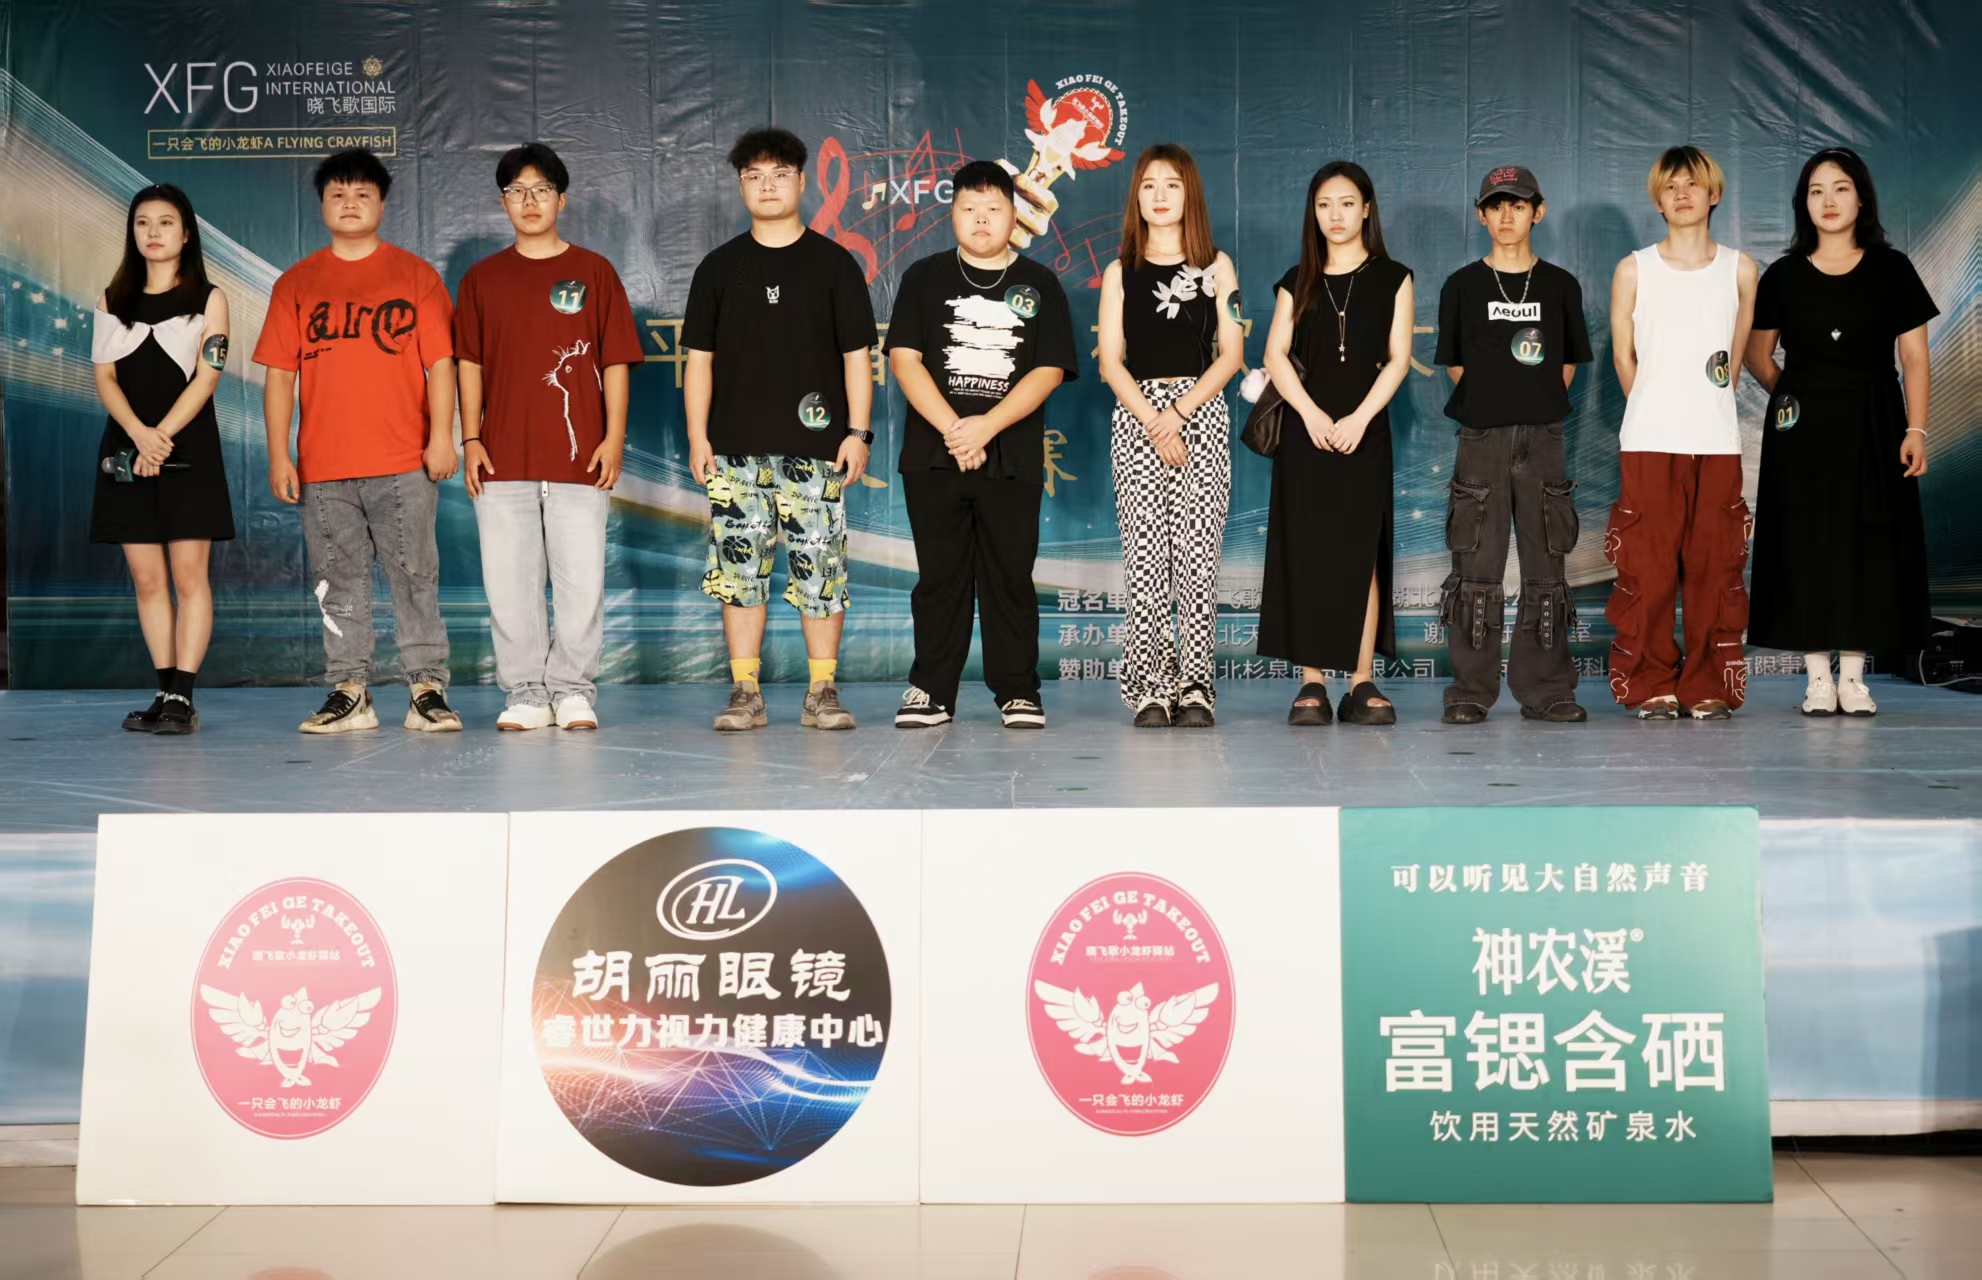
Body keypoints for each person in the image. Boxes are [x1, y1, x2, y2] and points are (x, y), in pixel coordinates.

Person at [256, 148, 462, 734]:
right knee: (337, 583)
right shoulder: (296, 283)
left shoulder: (415, 276)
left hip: (404, 460)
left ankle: (427, 689)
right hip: (324, 466)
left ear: (382, 204)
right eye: (338, 194)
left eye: (362, 194)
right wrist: (280, 453)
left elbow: (441, 365)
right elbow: (280, 377)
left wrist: (441, 438)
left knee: (415, 576)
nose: (350, 204)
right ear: (322, 205)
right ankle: (350, 690)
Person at [683, 127, 877, 731]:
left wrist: (858, 433)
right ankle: (745, 692)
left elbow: (857, 357)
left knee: (821, 571)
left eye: (780, 175)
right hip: (734, 451)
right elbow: (699, 362)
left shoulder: (833, 264)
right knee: (739, 572)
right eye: (754, 177)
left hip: (816, 449)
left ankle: (823, 692)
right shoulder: (719, 267)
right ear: (741, 185)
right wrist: (698, 437)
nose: (767, 187)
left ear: (801, 181)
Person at [455, 143, 642, 732]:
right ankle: (527, 693)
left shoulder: (595, 272)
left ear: (562, 199)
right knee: (509, 582)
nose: (529, 201)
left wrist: (613, 437)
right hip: (501, 455)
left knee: (581, 581)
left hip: (580, 455)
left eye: (540, 190)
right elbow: (468, 364)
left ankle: (572, 689)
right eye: (516, 191)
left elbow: (615, 360)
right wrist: (470, 439)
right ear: (503, 203)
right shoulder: (482, 279)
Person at [1744, 146, 1937, 717]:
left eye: (1840, 188)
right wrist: (1794, 395)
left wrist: (1917, 428)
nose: (1828, 201)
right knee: (1807, 541)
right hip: (1801, 431)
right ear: (1803, 204)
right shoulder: (1782, 275)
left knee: (1866, 542)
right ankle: (1817, 679)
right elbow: (1757, 355)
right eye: (1816, 191)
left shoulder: (1892, 269)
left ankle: (1853, 678)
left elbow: (1915, 358)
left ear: (1861, 199)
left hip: (1876, 421)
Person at [886, 161, 1078, 729]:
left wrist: (985, 427)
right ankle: (931, 690)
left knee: (1009, 578)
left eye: (993, 209)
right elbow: (905, 360)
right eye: (969, 209)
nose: (981, 219)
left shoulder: (1040, 283)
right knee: (939, 578)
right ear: (952, 215)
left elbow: (1048, 369)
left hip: (1011, 458)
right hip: (934, 457)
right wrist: (956, 430)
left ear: (1014, 215)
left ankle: (1017, 691)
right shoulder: (923, 277)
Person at [1434, 165, 1594, 725]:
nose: (1507, 215)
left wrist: (1532, 404)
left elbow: (1568, 364)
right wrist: (1495, 406)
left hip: (1544, 436)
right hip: (1481, 436)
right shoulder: (1461, 286)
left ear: (1537, 212)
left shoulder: (1560, 285)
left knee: (1546, 561)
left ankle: (1547, 688)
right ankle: (1470, 690)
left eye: (1518, 204)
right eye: (1496, 205)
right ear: (1481, 215)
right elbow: (1454, 364)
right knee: (1475, 563)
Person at [1605, 146, 1760, 722]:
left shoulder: (1741, 270)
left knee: (1714, 567)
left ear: (1714, 194)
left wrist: (1701, 408)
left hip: (1716, 441)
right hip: (1649, 439)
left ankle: (1707, 683)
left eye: (1693, 184)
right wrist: (1656, 408)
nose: (1682, 194)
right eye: (1670, 186)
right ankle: (1650, 683)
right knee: (1647, 568)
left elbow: (1733, 364)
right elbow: (1624, 358)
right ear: (1658, 201)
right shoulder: (1633, 269)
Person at [1258, 161, 1414, 727]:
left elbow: (1398, 360)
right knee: (1308, 554)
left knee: (1360, 556)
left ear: (1366, 209)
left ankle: (1361, 680)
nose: (1336, 215)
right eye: (1324, 205)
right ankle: (1313, 682)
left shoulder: (1394, 278)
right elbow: (1275, 355)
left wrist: (1358, 419)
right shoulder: (1297, 278)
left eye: (1347, 203)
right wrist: (1312, 414)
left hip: (1364, 434)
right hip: (1306, 435)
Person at [1096, 143, 1244, 728]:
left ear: (1190, 195)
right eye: (1149, 185)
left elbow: (1231, 355)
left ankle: (1196, 686)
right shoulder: (1120, 271)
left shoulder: (1218, 267)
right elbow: (1111, 362)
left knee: (1198, 557)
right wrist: (1154, 421)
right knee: (1146, 558)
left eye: (1172, 185)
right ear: (1136, 196)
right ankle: (1150, 688)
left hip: (1201, 412)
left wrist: (1179, 412)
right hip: (1136, 415)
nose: (1159, 196)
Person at [90, 184, 235, 734]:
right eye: (143, 222)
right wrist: (138, 436)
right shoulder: (111, 299)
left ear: (186, 233)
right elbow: (105, 378)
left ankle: (183, 697)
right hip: (126, 450)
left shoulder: (210, 298)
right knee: (147, 580)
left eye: (166, 222)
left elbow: (207, 377)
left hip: (187, 450)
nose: (153, 232)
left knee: (188, 576)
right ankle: (163, 689)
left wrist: (162, 437)